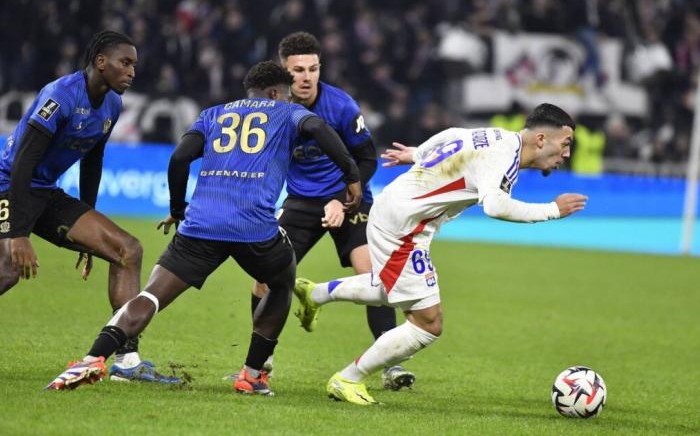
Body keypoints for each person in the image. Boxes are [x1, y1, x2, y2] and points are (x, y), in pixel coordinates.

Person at [46, 60, 363, 394]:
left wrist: (177, 208)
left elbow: (180, 158)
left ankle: (92, 357)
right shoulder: (286, 112)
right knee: (282, 282)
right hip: (253, 225)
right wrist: (351, 176)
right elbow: (320, 130)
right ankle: (253, 374)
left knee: (151, 295)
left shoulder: (213, 114)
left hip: (201, 224)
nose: (290, 103)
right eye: (287, 97)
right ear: (274, 93)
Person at [293, 103, 589, 405]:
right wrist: (552, 210)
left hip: (399, 214)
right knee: (428, 323)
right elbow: (495, 205)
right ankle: (347, 379)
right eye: (565, 144)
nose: (566, 154)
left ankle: (314, 293)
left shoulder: (498, 137)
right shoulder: (503, 156)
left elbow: (453, 134)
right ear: (541, 139)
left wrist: (419, 154)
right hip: (403, 227)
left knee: (390, 287)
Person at [0, 30, 177, 384]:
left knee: (127, 250)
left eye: (134, 65)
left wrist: (89, 230)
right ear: (101, 62)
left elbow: (92, 161)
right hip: (8, 185)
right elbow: (22, 162)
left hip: (46, 192)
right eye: (125, 63)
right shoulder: (60, 95)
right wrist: (17, 233)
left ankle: (127, 360)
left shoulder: (112, 103)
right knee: (8, 270)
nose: (132, 72)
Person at [246, 31, 415, 390]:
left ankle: (389, 365)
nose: (306, 77)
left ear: (320, 69)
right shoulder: (273, 108)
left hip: (351, 197)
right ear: (283, 71)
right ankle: (261, 362)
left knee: (373, 273)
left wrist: (342, 197)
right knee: (264, 276)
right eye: (297, 70)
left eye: (313, 69)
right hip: (301, 202)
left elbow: (367, 159)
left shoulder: (341, 106)